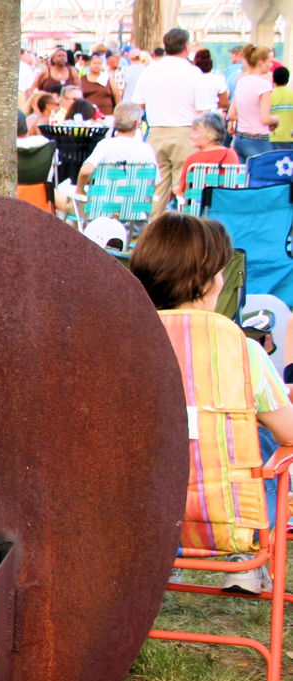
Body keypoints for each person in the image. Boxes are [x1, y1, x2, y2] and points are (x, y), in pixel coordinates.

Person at [130, 213, 293, 593]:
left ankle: (164, 560)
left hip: (138, 519)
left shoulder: (126, 340)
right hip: (226, 521)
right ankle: (242, 565)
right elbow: (289, 431)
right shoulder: (241, 350)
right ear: (205, 283)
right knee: (261, 435)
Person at [132, 28, 215, 215]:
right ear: (186, 46)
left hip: (155, 133)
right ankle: (186, 236)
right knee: (186, 190)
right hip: (186, 134)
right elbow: (203, 111)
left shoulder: (149, 71)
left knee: (156, 191)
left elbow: (137, 106)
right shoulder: (194, 73)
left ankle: (154, 233)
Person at [54, 102, 158, 215]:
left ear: (114, 122)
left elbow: (86, 171)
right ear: (137, 123)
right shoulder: (147, 149)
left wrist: (80, 190)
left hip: (100, 211)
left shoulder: (106, 145)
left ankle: (81, 230)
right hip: (135, 212)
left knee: (54, 194)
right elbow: (155, 181)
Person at [230, 45, 280, 162]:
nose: (271, 65)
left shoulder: (241, 81)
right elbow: (265, 119)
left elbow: (232, 114)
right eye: (269, 61)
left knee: (243, 177)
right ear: (261, 62)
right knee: (265, 176)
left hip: (240, 138)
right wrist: (276, 119)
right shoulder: (264, 85)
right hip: (258, 139)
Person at [176, 111, 239, 199]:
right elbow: (234, 186)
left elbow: (182, 191)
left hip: (197, 209)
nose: (191, 136)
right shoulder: (231, 154)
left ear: (209, 134)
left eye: (195, 132)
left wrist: (172, 189)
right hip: (224, 207)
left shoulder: (193, 160)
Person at [80, 51, 121, 116]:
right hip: (88, 114)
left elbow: (116, 95)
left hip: (107, 113)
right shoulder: (82, 79)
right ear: (89, 64)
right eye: (94, 63)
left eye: (99, 63)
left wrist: (118, 111)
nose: (97, 65)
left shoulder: (107, 78)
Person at [192, 48, 229, 112]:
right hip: (212, 113)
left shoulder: (192, 79)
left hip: (194, 114)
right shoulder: (218, 79)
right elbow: (224, 103)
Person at [271, 66, 293, 150]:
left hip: (273, 137)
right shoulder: (291, 95)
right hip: (290, 136)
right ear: (287, 79)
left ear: (273, 80)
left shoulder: (270, 95)